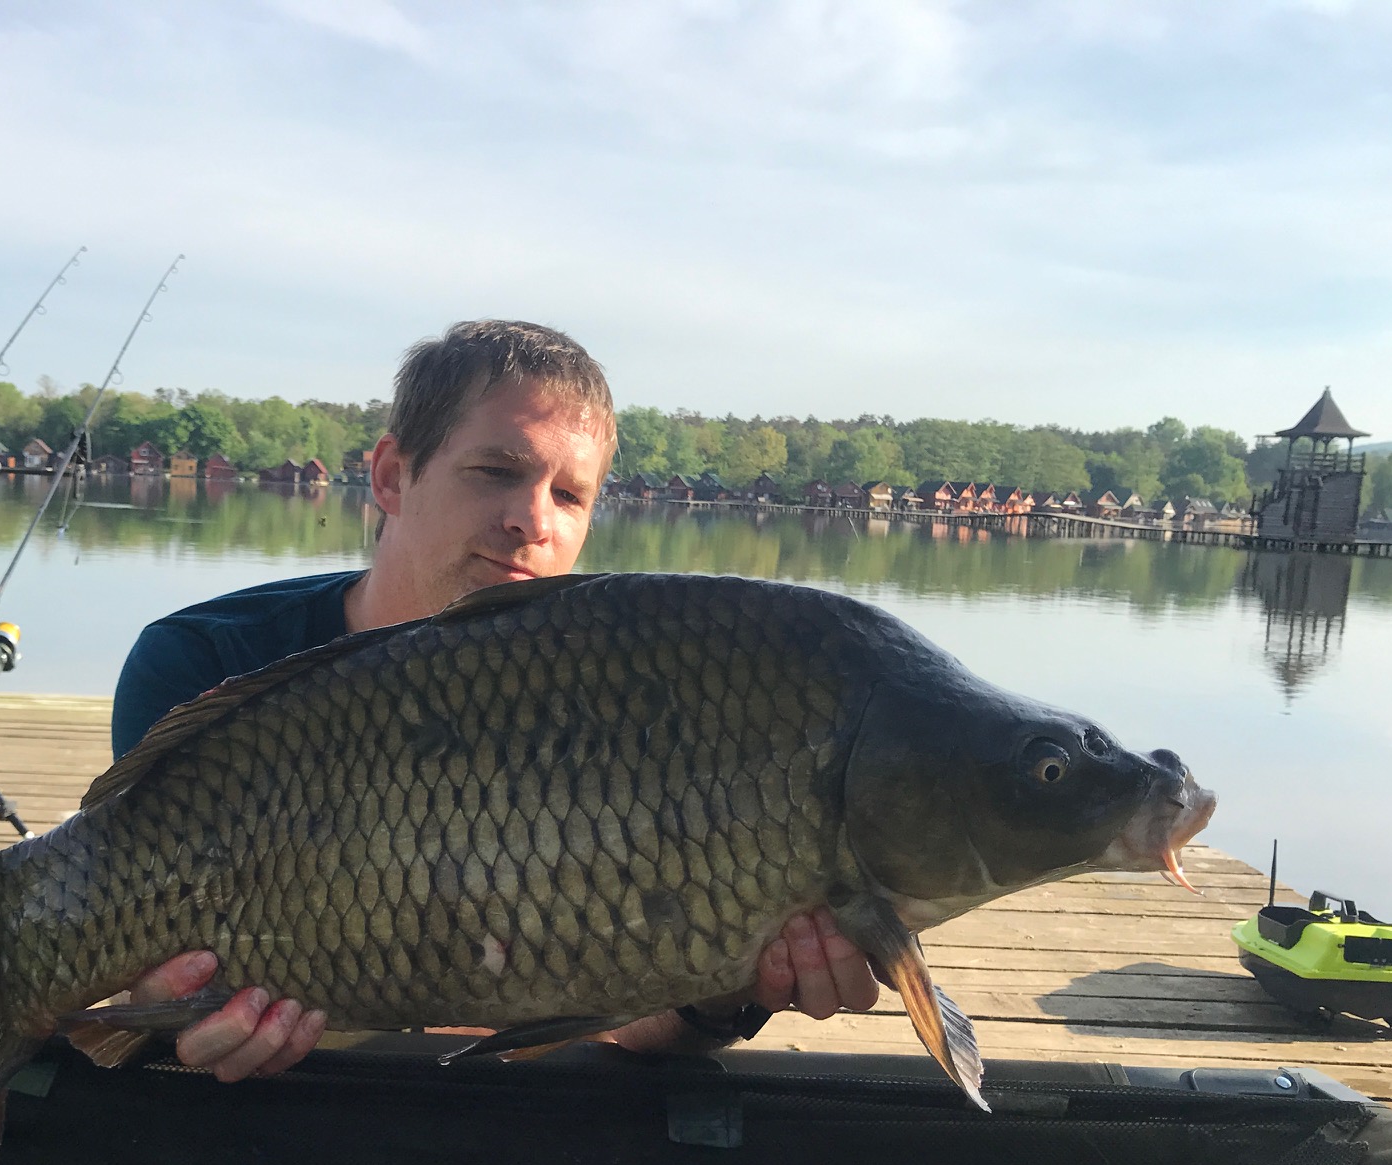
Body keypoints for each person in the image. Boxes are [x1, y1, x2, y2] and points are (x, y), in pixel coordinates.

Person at [111, 320, 879, 1080]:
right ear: (391, 477)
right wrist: (157, 1012)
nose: (532, 521)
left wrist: (721, 996)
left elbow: (601, 1018)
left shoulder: (621, 704)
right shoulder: (206, 664)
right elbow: (125, 948)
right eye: (496, 471)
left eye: (570, 495)